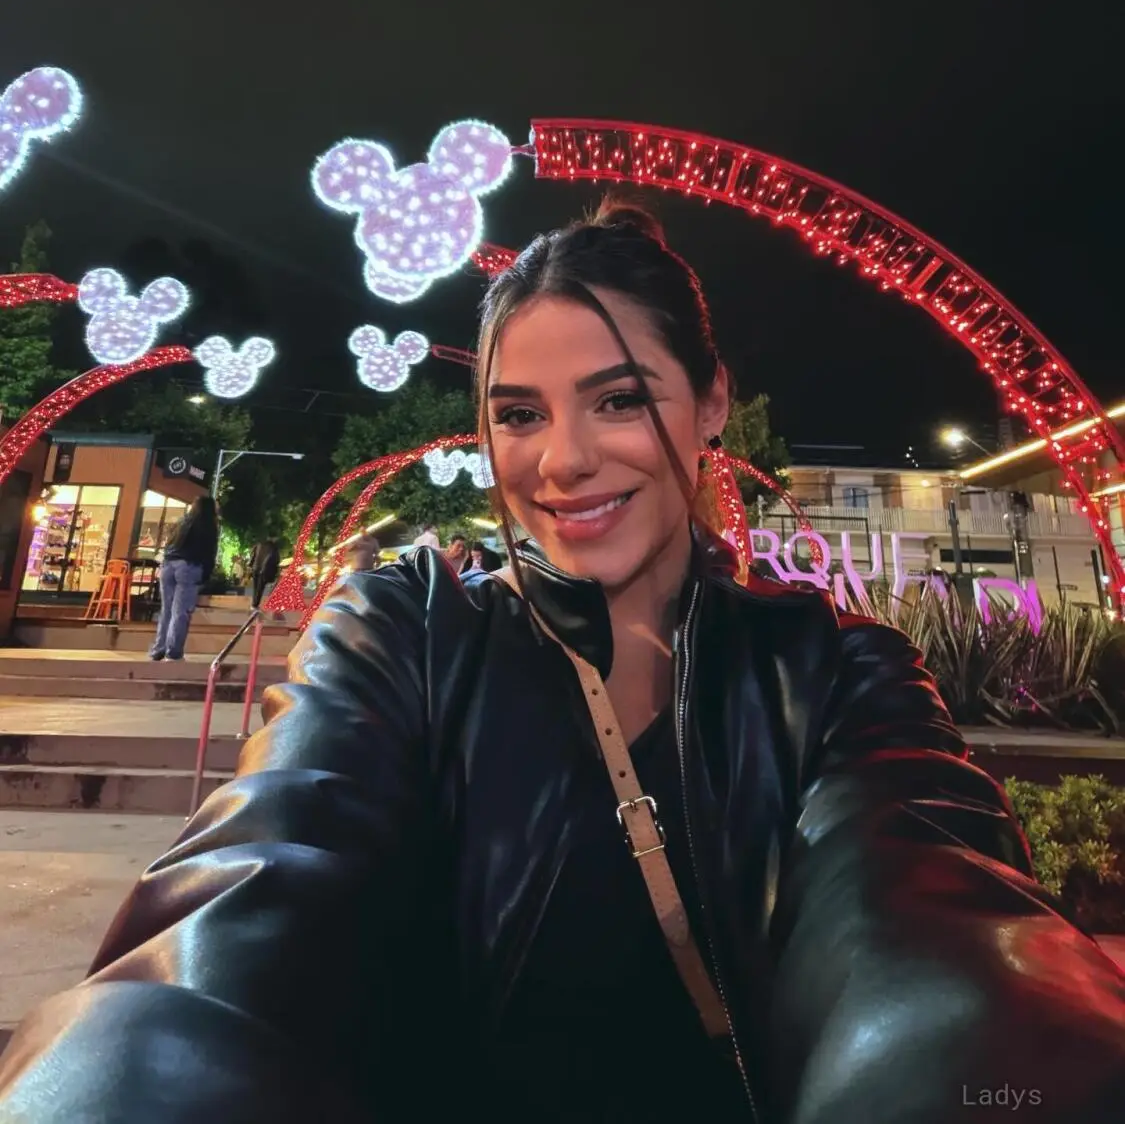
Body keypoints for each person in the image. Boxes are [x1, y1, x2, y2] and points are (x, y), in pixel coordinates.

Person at [3, 201, 1125, 1123]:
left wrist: (992, 1070)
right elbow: (252, 895)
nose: (563, 461)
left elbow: (938, 933)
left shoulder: (834, 677)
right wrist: (131, 1071)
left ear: (712, 403)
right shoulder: (401, 637)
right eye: (519, 415)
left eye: (619, 399)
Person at [148, 495, 218, 662]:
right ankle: (173, 652)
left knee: (166, 610)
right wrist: (205, 576)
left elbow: (169, 544)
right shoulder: (208, 525)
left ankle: (159, 648)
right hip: (188, 567)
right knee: (180, 611)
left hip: (168, 565)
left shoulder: (182, 522)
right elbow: (210, 552)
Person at [250, 537, 281, 609]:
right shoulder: (273, 547)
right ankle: (255, 604)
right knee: (260, 588)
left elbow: (253, 555)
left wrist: (251, 564)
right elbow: (276, 559)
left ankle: (254, 604)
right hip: (264, 570)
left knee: (255, 587)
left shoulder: (259, 544)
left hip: (255, 568)